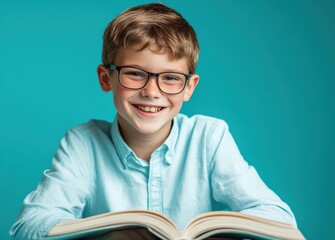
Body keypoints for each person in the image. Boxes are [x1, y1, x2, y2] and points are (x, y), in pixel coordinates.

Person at [10, 3, 297, 240]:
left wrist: (227, 236)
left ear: (189, 87)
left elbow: (278, 218)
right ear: (105, 78)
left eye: (170, 78)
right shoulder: (84, 143)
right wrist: (109, 236)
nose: (151, 91)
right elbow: (28, 226)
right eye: (135, 73)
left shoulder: (209, 136)